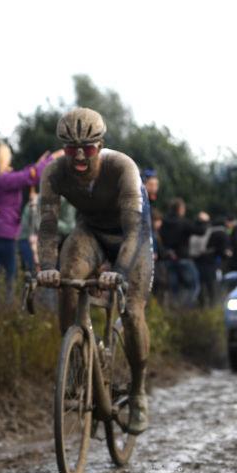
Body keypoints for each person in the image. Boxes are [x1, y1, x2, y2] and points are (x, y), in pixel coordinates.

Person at [35, 108, 154, 434]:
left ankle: (138, 390)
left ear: (100, 146)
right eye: (71, 149)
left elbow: (133, 231)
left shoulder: (122, 168)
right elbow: (46, 227)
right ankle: (75, 365)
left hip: (132, 239)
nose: (78, 157)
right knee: (67, 277)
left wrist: (119, 270)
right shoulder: (54, 172)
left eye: (86, 149)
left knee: (131, 313)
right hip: (91, 233)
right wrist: (47, 267)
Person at [0, 141, 58, 286]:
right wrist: (51, 161)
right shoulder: (2, 178)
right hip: (1, 234)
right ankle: (5, 308)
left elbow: (25, 175)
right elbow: (30, 177)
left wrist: (38, 165)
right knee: (7, 281)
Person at [160, 198, 207, 308]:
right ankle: (185, 309)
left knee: (174, 288)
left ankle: (175, 310)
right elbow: (200, 231)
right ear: (180, 209)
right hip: (183, 258)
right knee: (193, 286)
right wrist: (202, 220)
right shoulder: (183, 222)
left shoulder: (164, 223)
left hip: (169, 259)